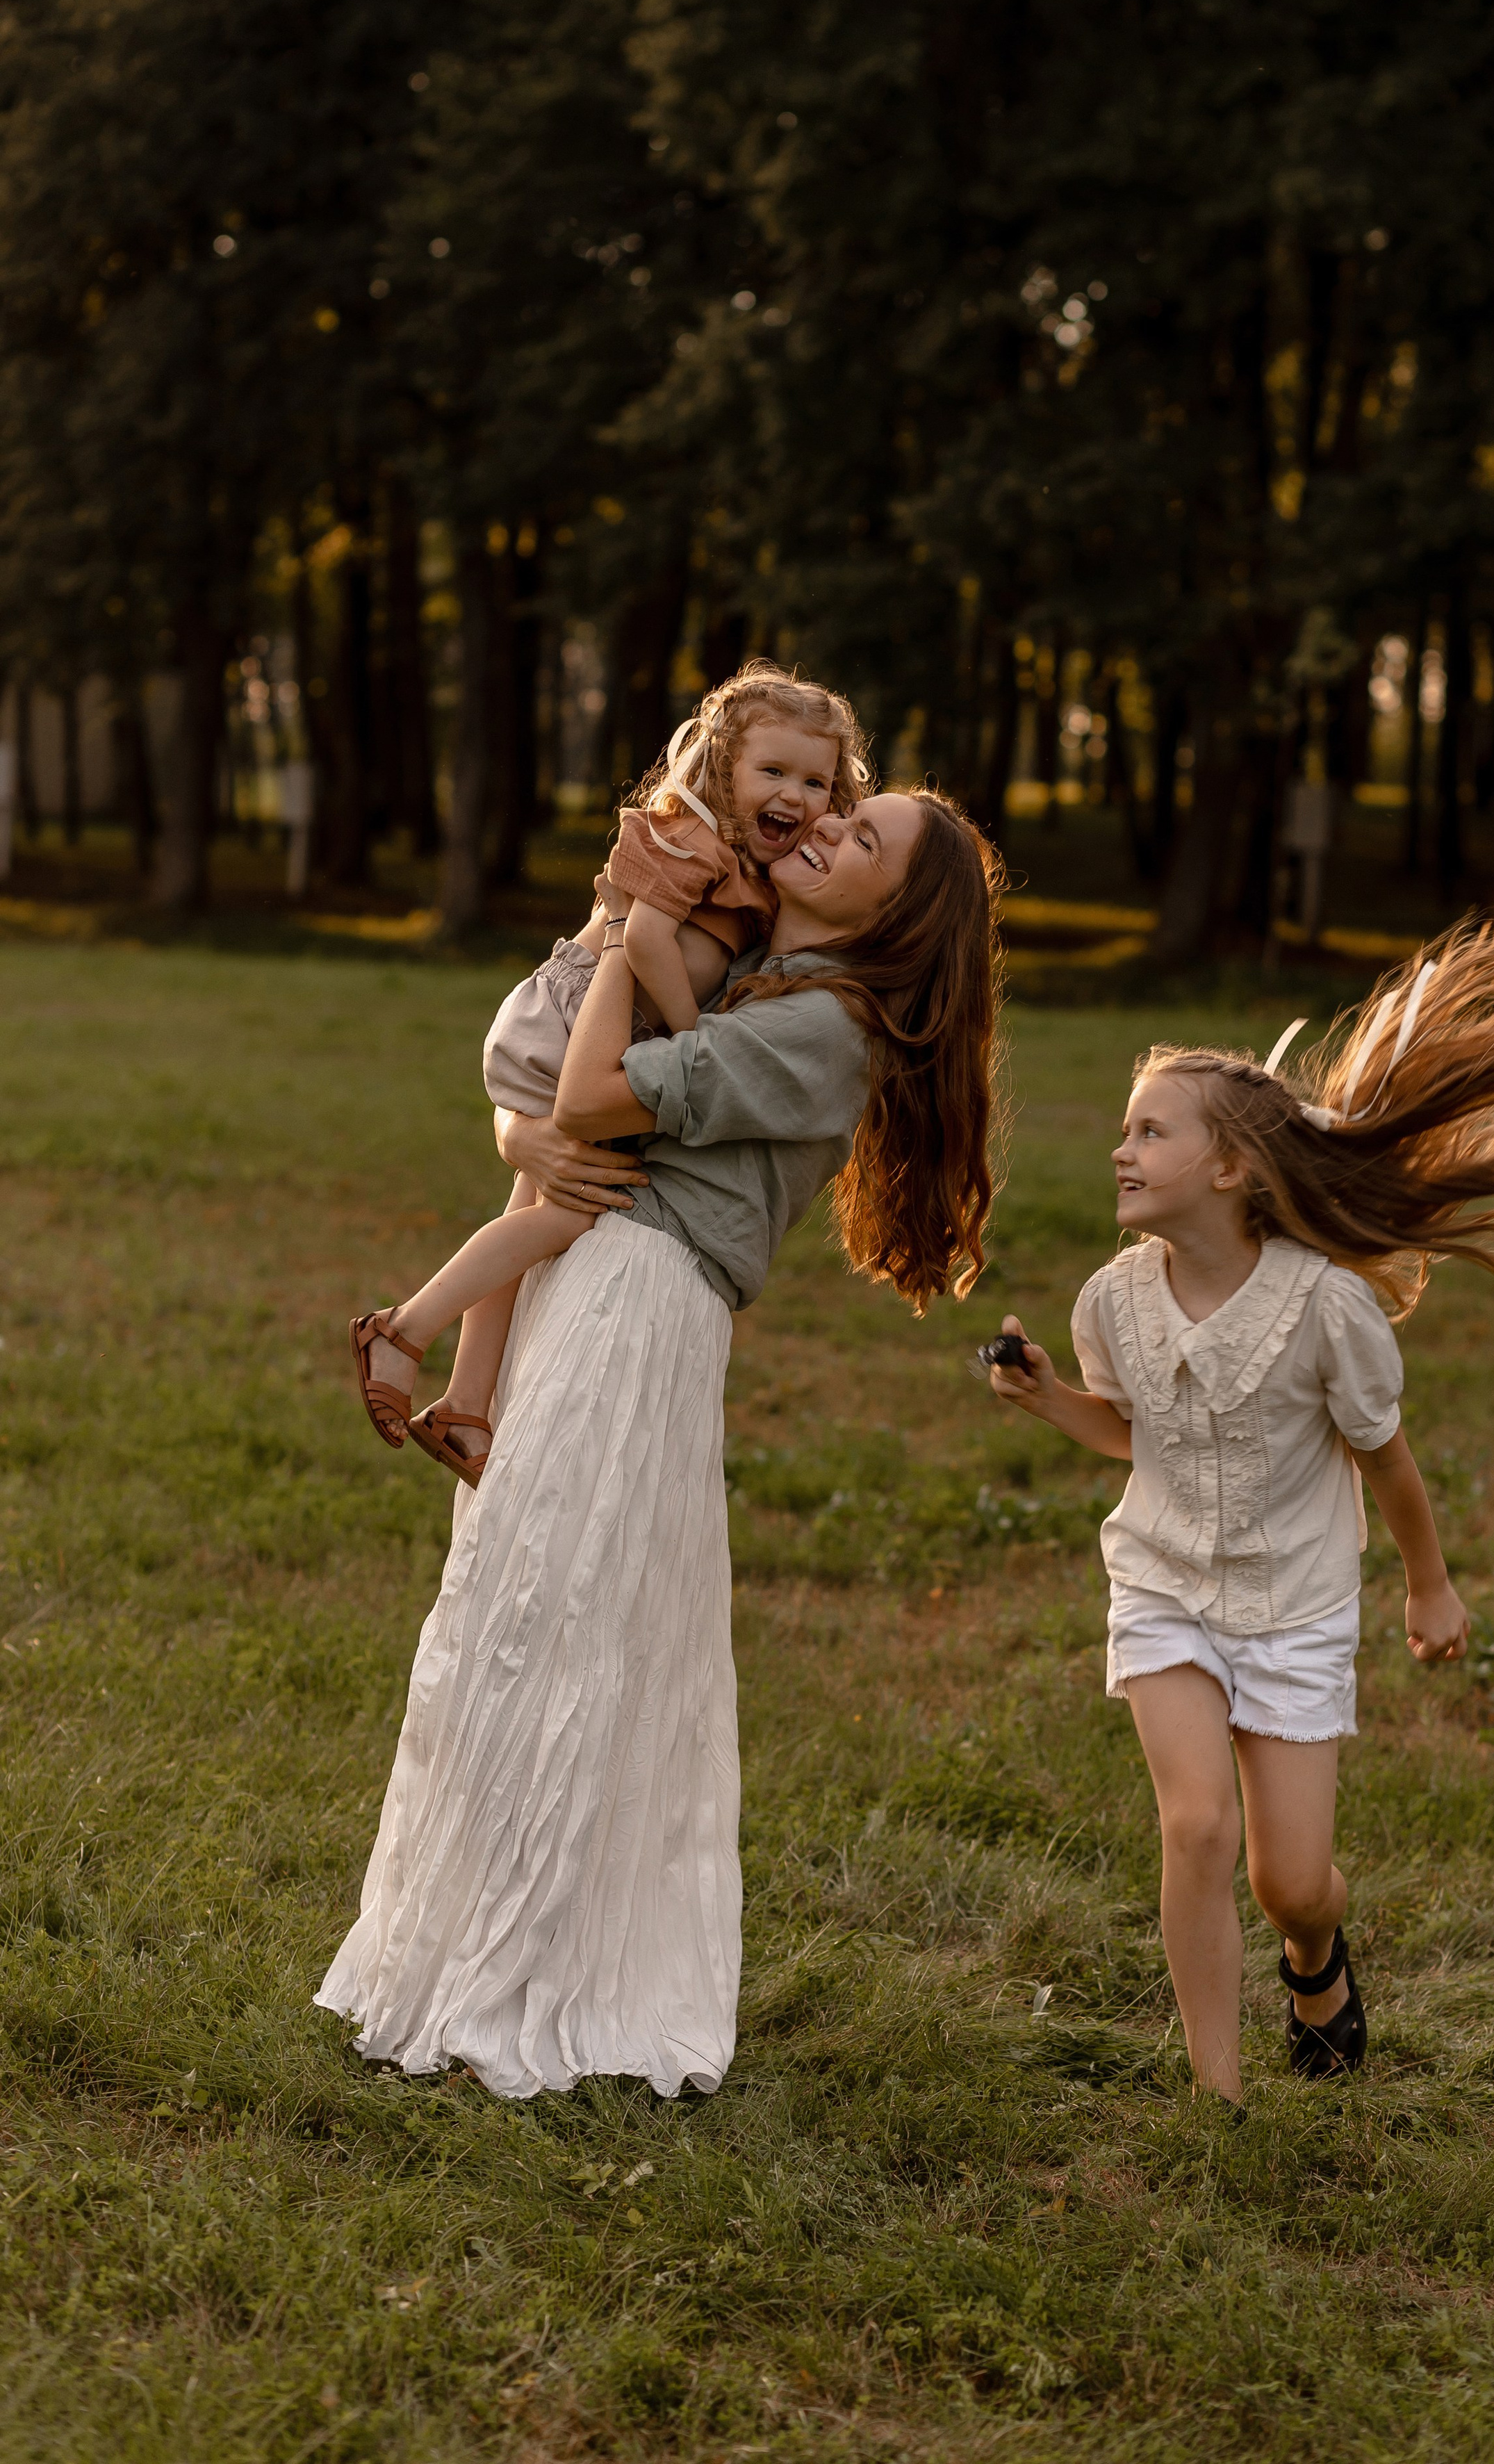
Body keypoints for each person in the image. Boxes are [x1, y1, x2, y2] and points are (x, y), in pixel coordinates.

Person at [316, 787, 1003, 2101]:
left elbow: (585, 1099)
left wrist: (639, 936)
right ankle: (459, 1958)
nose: (824, 831)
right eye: (843, 812)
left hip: (642, 1310)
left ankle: (525, 1983)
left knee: (563, 1621)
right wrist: (641, 924)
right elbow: (534, 1108)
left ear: (899, 918)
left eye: (861, 842)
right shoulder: (760, 977)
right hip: (600, 1280)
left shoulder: (819, 1029)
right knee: (516, 1608)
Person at [987, 923, 1494, 2107]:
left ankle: (1313, 1957)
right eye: (1126, 1127)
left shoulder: (1329, 1309)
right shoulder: (1109, 1302)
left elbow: (1385, 1461)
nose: (1118, 1148)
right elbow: (1134, 1433)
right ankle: (1219, 2096)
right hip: (1166, 1583)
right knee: (1196, 1829)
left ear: (1234, 1170)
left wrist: (1428, 1581)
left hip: (1294, 1605)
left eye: (1149, 1130)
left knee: (1293, 1879)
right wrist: (1048, 1400)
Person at [348, 664, 869, 1486]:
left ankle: (464, 1400)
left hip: (603, 1035)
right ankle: (404, 1328)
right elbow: (647, 942)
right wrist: (698, 1037)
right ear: (723, 766)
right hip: (576, 1021)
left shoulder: (756, 873)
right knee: (561, 1217)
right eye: (773, 771)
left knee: (536, 1208)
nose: (796, 795)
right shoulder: (689, 839)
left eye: (816, 780)